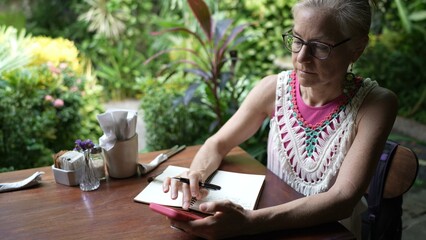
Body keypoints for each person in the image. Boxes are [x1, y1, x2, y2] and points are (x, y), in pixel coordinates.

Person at [163, 0, 397, 239]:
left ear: (357, 48)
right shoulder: (274, 89)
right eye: (297, 40)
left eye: (320, 47)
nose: (302, 57)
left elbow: (342, 199)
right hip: (268, 227)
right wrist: (195, 176)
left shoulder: (375, 105)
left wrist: (248, 223)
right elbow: (217, 143)